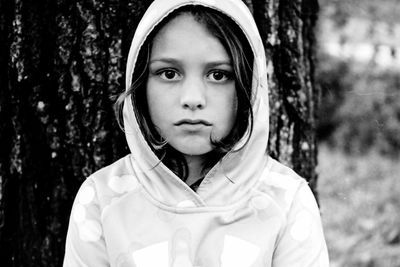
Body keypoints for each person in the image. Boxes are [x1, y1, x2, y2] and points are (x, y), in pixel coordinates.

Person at [63, 0, 329, 266]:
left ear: (249, 85)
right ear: (140, 83)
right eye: (169, 73)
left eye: (218, 75)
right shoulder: (103, 201)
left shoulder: (286, 201)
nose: (192, 99)